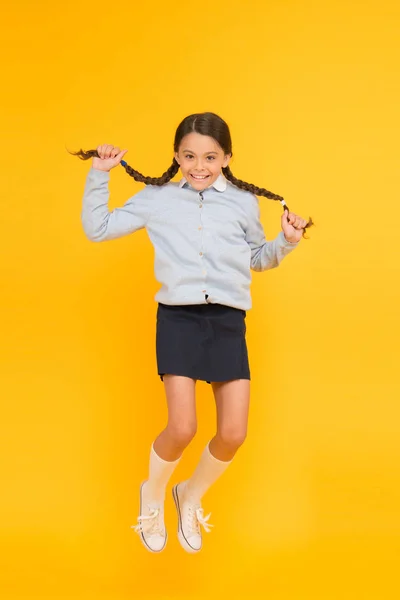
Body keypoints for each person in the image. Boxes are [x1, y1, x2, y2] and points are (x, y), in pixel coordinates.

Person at [72, 112, 312, 554]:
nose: (199, 166)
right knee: (182, 427)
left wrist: (287, 242)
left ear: (227, 157)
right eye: (188, 156)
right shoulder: (158, 197)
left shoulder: (242, 202)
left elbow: (257, 258)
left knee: (234, 433)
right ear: (176, 156)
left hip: (227, 320)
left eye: (209, 157)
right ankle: (152, 497)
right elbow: (98, 228)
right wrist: (99, 176)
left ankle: (189, 495)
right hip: (179, 319)